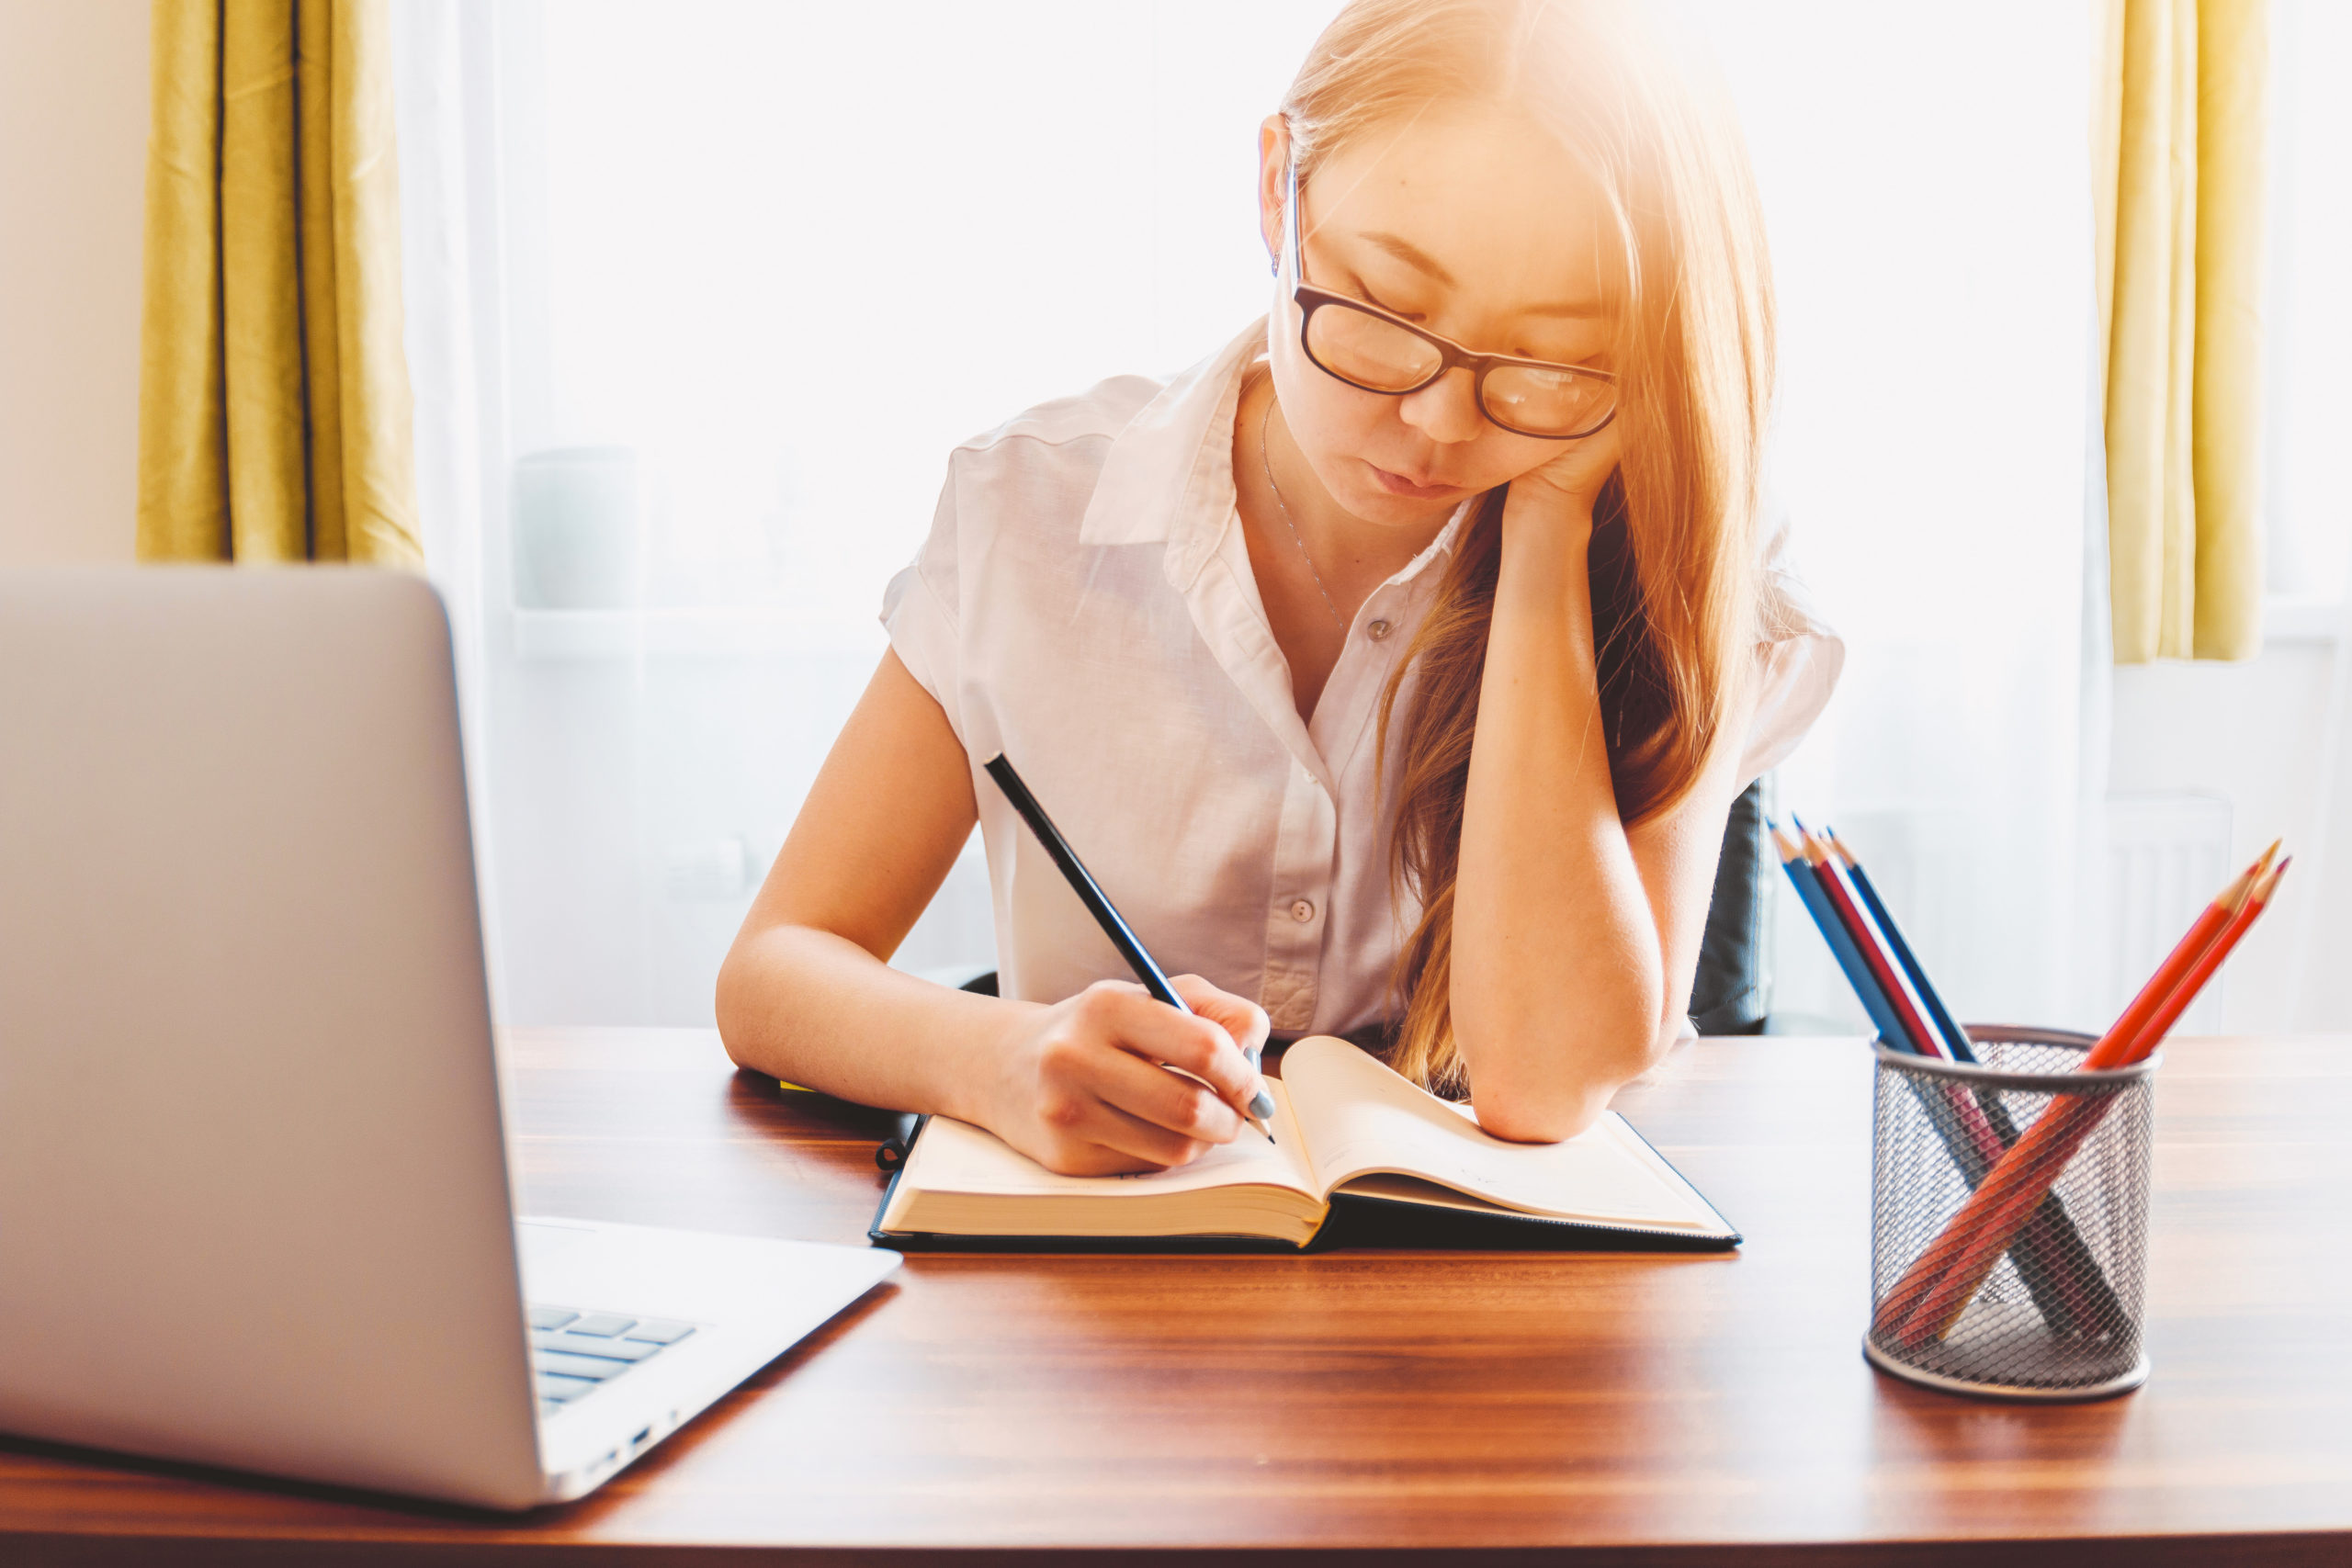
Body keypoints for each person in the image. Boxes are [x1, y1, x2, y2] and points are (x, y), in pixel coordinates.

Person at [717, 0, 1839, 1175]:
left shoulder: (1682, 573)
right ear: (1275, 190)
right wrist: (995, 1056)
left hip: (1486, 1325)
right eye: (1386, 308)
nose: (1437, 420)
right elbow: (775, 968)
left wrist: (1552, 530)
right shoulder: (1033, 512)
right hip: (1085, 1302)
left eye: (1546, 356)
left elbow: (1545, 1082)